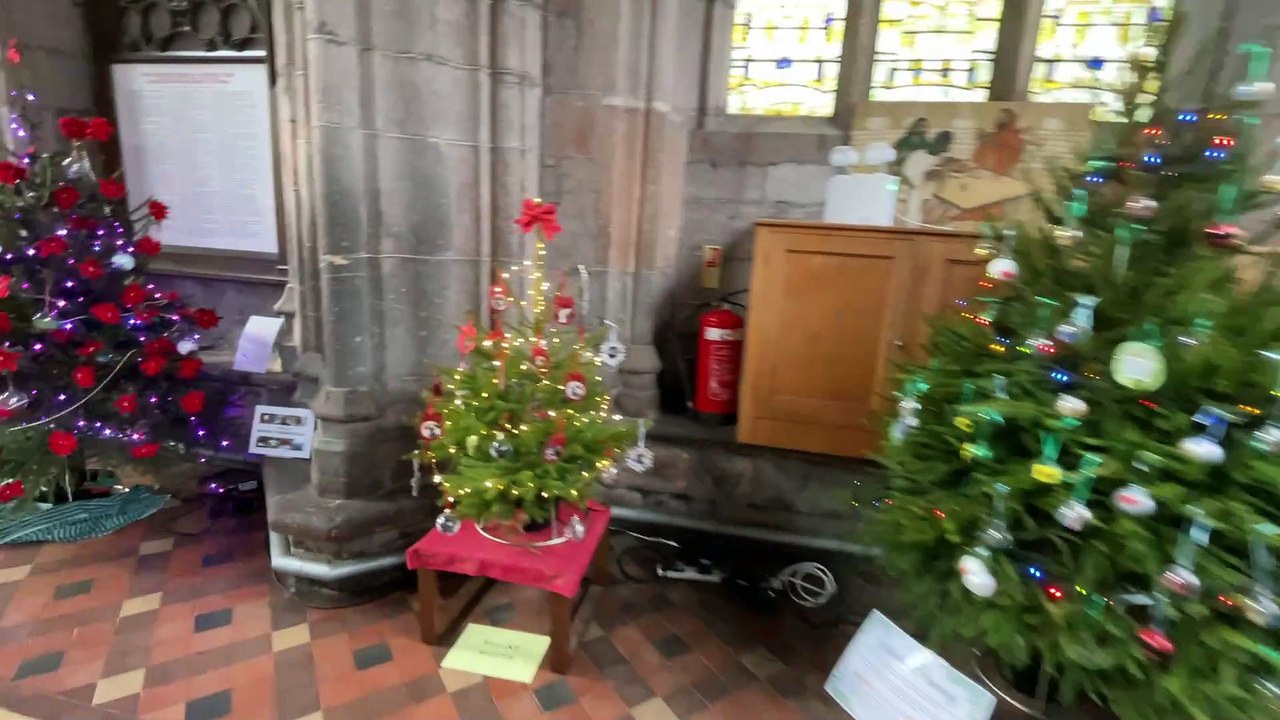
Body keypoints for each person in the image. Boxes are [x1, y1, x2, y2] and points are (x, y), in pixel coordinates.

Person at [972, 108, 1025, 176]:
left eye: (1003, 117)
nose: (998, 119)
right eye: (999, 117)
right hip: (992, 172)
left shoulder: (1010, 137)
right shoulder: (996, 136)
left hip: (997, 173)